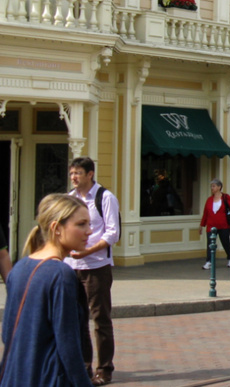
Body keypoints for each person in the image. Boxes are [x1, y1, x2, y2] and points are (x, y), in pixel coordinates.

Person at [0, 193, 94, 387]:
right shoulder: (61, 274)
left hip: (16, 376)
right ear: (56, 228)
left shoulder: (19, 267)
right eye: (81, 224)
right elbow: (69, 346)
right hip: (48, 378)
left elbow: (8, 333)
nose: (89, 231)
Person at [64, 157, 121, 386]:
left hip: (97, 267)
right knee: (77, 320)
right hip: (71, 267)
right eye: (71, 173)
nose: (74, 177)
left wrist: (87, 252)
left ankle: (104, 369)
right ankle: (84, 366)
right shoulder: (70, 199)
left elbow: (112, 234)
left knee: (100, 320)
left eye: (77, 173)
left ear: (90, 174)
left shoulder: (105, 198)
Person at [198, 179, 230, 270]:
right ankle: (209, 261)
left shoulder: (225, 197)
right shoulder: (209, 200)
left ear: (219, 187)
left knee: (225, 242)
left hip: (224, 225)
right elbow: (205, 213)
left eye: (214, 186)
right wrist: (201, 225)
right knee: (210, 243)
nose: (212, 188)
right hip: (211, 225)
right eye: (211, 186)